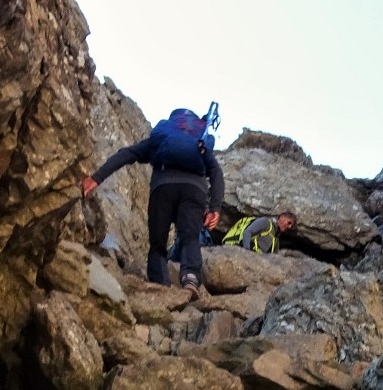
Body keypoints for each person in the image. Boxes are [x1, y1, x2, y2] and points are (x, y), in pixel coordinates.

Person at [81, 107, 223, 298]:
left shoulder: (163, 137)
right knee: (190, 237)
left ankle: (161, 287)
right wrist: (214, 207)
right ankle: (190, 279)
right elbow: (216, 173)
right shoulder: (198, 141)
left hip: (163, 187)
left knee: (158, 242)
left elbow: (127, 154)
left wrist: (96, 178)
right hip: (194, 189)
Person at [221, 212, 296, 254]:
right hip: (239, 250)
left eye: (291, 226)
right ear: (282, 217)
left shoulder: (275, 238)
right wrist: (246, 252)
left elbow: (274, 257)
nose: (289, 227)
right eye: (289, 223)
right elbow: (248, 232)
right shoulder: (265, 222)